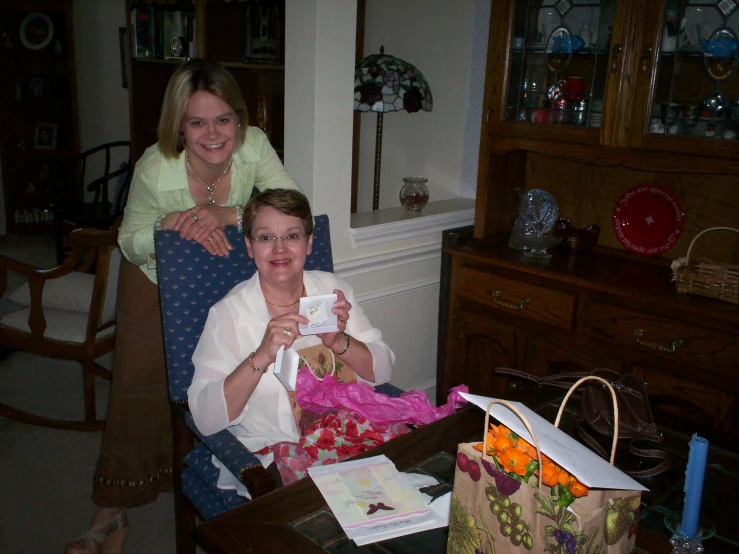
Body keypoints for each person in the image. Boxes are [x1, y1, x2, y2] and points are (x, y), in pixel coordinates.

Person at [66, 59, 300, 554]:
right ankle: (111, 508)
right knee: (140, 386)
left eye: (223, 120)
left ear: (239, 119)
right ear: (178, 124)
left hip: (227, 275)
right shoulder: (155, 165)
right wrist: (170, 224)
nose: (213, 134)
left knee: (229, 373)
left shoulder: (254, 145)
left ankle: (217, 470)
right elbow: (128, 239)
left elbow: (293, 202)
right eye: (197, 122)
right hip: (153, 277)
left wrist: (229, 213)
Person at [188, 188, 394, 490]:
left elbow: (384, 370)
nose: (280, 249)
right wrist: (261, 356)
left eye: (292, 236)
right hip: (281, 453)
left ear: (309, 243)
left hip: (355, 433)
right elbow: (205, 418)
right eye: (266, 237)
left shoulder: (333, 289)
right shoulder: (228, 315)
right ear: (249, 246)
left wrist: (339, 343)